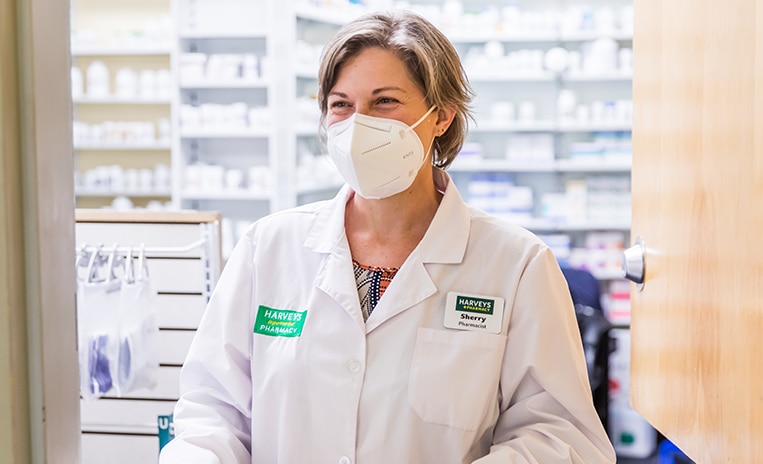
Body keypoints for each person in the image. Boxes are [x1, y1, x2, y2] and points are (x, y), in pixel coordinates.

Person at [160, 10, 616, 464]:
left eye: (384, 102)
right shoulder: (269, 247)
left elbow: (560, 435)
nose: (358, 126)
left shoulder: (517, 264)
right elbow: (214, 409)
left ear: (441, 116)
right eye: (341, 105)